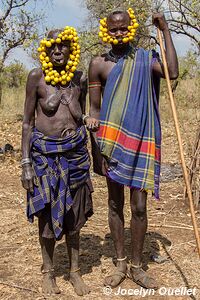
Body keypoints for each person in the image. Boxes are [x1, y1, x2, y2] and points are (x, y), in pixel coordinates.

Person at [86, 8, 178, 289]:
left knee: (139, 206)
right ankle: (120, 263)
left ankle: (138, 267)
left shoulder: (144, 59)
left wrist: (164, 30)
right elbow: (94, 110)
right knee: (115, 204)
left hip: (141, 143)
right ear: (106, 30)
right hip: (110, 144)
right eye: (113, 29)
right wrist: (96, 151)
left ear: (132, 28)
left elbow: (172, 72)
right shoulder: (98, 64)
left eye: (123, 28)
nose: (118, 33)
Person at [21, 26, 93, 296]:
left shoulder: (78, 78)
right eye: (53, 46)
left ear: (71, 48)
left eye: (63, 45)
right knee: (47, 217)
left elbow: (82, 116)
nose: (58, 50)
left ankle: (75, 272)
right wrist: (26, 163)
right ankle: (48, 272)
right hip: (45, 158)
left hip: (74, 155)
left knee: (75, 216)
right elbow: (27, 123)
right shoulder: (36, 78)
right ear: (46, 49)